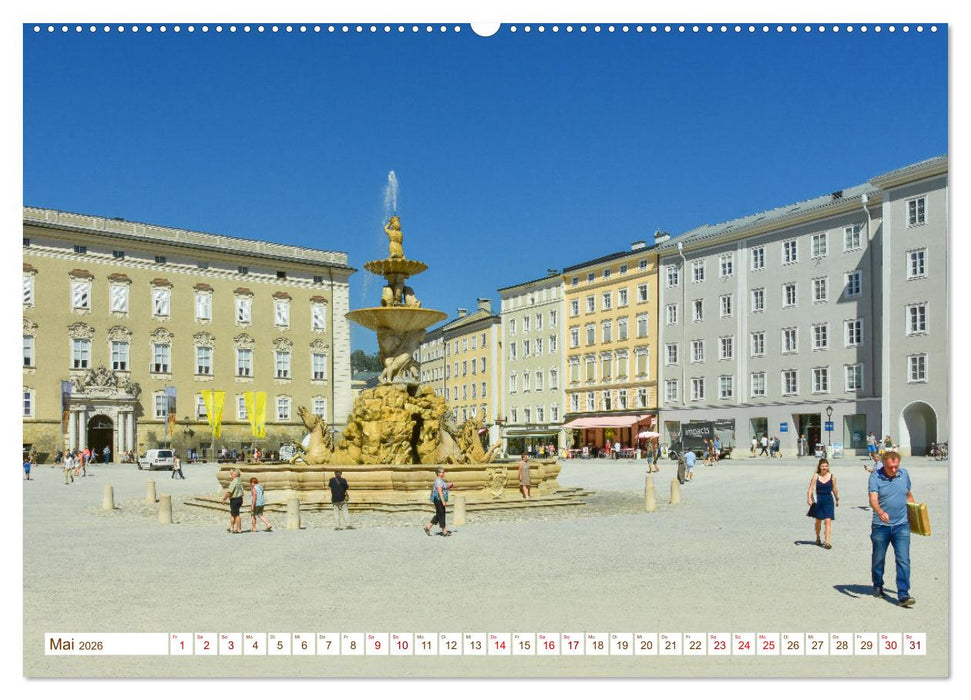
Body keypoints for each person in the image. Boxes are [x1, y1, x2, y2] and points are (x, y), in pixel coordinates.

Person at [868, 448, 917, 607]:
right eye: (891, 467)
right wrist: (880, 512)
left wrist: (916, 512)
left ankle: (903, 594)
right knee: (878, 558)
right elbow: (872, 500)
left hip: (902, 526)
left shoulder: (904, 474)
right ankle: (877, 584)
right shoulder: (875, 476)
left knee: (903, 560)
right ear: (883, 464)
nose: (894, 470)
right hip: (881, 526)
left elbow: (908, 495)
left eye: (896, 466)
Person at [807, 458, 839, 548]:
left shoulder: (832, 477)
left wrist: (837, 498)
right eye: (823, 466)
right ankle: (818, 537)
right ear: (819, 467)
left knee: (828, 520)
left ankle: (827, 542)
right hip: (819, 500)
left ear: (828, 467)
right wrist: (809, 498)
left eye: (826, 466)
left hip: (828, 499)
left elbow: (834, 489)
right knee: (818, 521)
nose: (824, 467)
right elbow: (811, 488)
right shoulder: (816, 476)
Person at [423, 467, 454, 536]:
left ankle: (428, 527)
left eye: (443, 472)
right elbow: (440, 492)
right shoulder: (438, 481)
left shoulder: (440, 480)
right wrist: (443, 501)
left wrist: (449, 486)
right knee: (442, 515)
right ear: (438, 473)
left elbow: (443, 488)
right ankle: (444, 532)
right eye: (442, 472)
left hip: (439, 499)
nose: (443, 473)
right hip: (438, 499)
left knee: (439, 514)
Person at [221, 468, 244, 534]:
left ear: (235, 474)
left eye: (231, 474)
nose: (230, 475)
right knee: (233, 514)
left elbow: (229, 492)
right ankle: (231, 528)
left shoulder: (234, 482)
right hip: (240, 499)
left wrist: (224, 499)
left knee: (236, 514)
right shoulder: (239, 480)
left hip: (235, 499)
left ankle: (239, 529)